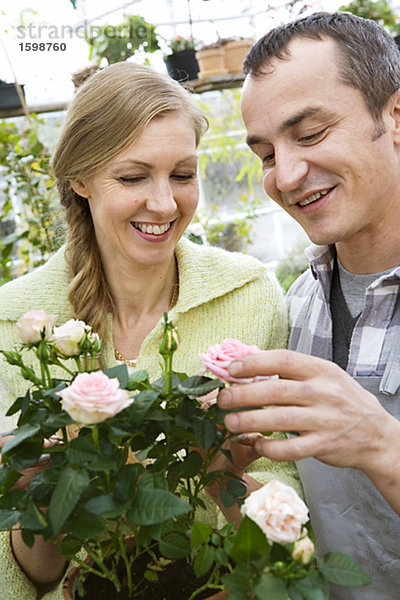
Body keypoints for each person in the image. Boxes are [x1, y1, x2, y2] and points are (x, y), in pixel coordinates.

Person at [0, 61, 299, 600]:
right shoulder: (13, 320)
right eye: (134, 177)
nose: (164, 203)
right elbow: (25, 576)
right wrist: (45, 497)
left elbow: (289, 519)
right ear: (81, 178)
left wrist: (218, 473)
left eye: (183, 175)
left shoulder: (248, 295)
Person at [216, 11, 400, 599]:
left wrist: (381, 446)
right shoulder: (299, 302)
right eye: (266, 154)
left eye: (311, 134)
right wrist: (222, 473)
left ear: (395, 116)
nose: (288, 175)